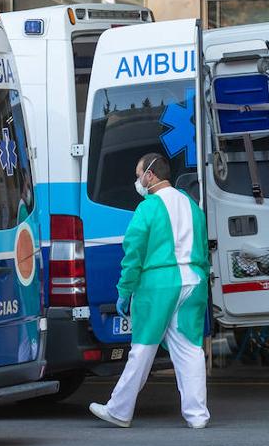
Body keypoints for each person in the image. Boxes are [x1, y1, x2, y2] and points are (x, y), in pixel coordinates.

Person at [89, 153, 211, 429]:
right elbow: (203, 247)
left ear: (150, 175)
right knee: (190, 349)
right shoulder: (191, 205)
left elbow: (134, 252)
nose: (138, 181)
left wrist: (125, 290)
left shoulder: (147, 208)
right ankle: (197, 416)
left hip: (159, 284)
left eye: (139, 175)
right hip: (194, 281)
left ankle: (119, 410)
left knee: (143, 348)